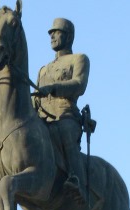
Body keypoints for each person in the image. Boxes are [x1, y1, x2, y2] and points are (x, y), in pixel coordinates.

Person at [33, 16, 89, 199]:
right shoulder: (43, 69)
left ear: (69, 36)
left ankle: (76, 180)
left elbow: (79, 84)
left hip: (65, 114)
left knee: (65, 132)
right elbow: (35, 98)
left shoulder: (79, 59)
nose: (52, 36)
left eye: (57, 32)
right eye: (51, 33)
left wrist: (54, 89)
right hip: (42, 118)